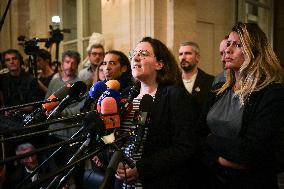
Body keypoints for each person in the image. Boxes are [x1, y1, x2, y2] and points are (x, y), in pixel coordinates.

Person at [198, 22, 284, 189]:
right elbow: (197, 136)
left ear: (255, 52)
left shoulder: (272, 94)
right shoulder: (218, 90)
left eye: (238, 45)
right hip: (211, 179)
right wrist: (218, 159)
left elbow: (250, 151)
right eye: (228, 43)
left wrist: (210, 140)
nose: (228, 49)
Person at [114, 37, 200, 188]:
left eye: (143, 53)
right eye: (134, 53)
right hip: (123, 183)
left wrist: (142, 169)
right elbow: (117, 139)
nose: (136, 57)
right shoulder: (126, 96)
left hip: (157, 181)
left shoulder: (175, 96)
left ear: (159, 64)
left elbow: (184, 147)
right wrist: (115, 161)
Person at [46, 50, 84, 140]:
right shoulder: (54, 82)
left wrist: (58, 112)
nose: (70, 66)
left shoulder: (80, 85)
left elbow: (78, 110)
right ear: (62, 63)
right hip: (53, 131)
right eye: (67, 62)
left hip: (69, 133)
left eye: (73, 63)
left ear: (77, 65)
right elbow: (46, 101)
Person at [0, 49, 40, 113]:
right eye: (8, 60)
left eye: (14, 58)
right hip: (7, 116)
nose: (11, 62)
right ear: (4, 63)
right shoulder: (2, 78)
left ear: (20, 61)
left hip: (25, 116)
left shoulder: (31, 80)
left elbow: (34, 106)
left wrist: (17, 109)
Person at [178, 41, 214, 109]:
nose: (183, 57)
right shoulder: (173, 81)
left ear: (197, 57)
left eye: (188, 53)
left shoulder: (210, 81)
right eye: (180, 54)